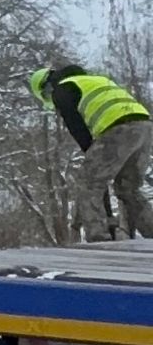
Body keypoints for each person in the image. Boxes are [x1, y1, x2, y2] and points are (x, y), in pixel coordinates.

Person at [28, 61, 153, 238]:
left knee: (88, 182)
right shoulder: (95, 80)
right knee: (128, 188)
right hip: (144, 127)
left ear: (47, 86)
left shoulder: (62, 89)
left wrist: (89, 149)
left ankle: (98, 237)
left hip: (117, 129)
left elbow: (75, 125)